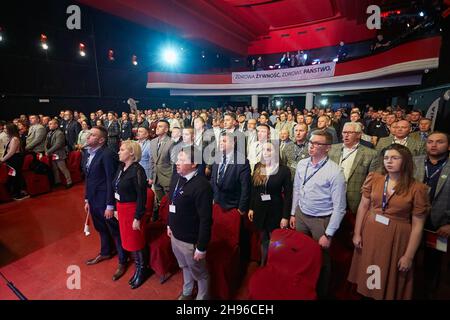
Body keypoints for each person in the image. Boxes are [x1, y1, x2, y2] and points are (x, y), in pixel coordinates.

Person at [348, 144, 430, 300]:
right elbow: (363, 206)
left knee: (385, 275)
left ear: (405, 161)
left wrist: (409, 256)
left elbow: (418, 226)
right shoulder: (374, 178)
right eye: (386, 158)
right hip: (370, 232)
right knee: (370, 272)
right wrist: (357, 233)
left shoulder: (417, 188)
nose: (389, 161)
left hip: (396, 238)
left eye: (394, 158)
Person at [289, 130, 347, 298]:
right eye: (311, 142)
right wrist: (293, 213)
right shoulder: (302, 164)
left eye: (317, 144)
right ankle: (302, 286)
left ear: (327, 148)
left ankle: (320, 293)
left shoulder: (335, 171)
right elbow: (297, 189)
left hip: (321, 220)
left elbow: (340, 207)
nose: (312, 146)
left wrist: (328, 234)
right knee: (300, 253)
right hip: (301, 214)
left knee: (321, 260)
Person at [167, 146, 213, 300]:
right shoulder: (177, 177)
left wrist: (201, 247)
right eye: (177, 159)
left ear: (194, 164)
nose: (177, 163)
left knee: (200, 273)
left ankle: (202, 297)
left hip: (190, 241)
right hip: (175, 235)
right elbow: (171, 203)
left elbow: (206, 219)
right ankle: (187, 291)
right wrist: (169, 225)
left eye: (182, 160)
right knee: (184, 266)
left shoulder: (202, 186)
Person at [82, 126, 127, 281]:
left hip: (105, 200)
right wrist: (87, 198)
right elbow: (88, 178)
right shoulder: (88, 153)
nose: (88, 137)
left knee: (115, 231)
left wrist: (110, 205)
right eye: (89, 134)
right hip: (93, 199)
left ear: (101, 140)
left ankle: (123, 260)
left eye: (92, 135)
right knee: (101, 228)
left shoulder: (108, 154)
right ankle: (105, 252)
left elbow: (111, 181)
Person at [413, 132, 450, 299]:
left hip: (440, 225)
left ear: (448, 146)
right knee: (408, 257)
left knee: (433, 264)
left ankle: (428, 292)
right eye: (430, 142)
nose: (434, 145)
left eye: (439, 142)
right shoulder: (415, 162)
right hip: (411, 220)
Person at [113, 140, 151, 289]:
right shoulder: (122, 167)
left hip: (132, 210)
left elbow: (142, 196)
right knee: (129, 241)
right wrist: (116, 209)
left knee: (137, 242)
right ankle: (137, 267)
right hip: (121, 209)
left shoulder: (138, 170)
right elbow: (116, 187)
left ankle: (143, 269)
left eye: (122, 150)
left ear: (131, 153)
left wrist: (137, 217)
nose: (119, 152)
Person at [248, 142, 292, 266]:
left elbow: (288, 195)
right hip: (260, 209)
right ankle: (263, 264)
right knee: (263, 239)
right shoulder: (259, 166)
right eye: (264, 150)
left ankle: (274, 264)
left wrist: (285, 216)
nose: (265, 153)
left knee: (276, 241)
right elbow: (254, 189)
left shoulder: (283, 170)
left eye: (269, 150)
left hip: (276, 210)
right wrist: (251, 208)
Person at [0, 123, 29, 200]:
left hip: (15, 159)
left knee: (15, 176)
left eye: (6, 128)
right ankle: (15, 192)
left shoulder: (15, 139)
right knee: (13, 177)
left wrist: (2, 159)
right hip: (12, 159)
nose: (4, 130)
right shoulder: (11, 138)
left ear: (10, 129)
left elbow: (11, 152)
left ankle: (18, 194)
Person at [150, 120, 174, 205]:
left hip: (167, 178)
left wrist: (172, 179)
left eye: (160, 126)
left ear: (166, 129)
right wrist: (151, 177)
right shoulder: (152, 142)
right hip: (156, 178)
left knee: (169, 203)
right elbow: (152, 161)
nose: (157, 128)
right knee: (161, 204)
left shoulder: (171, 142)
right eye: (157, 126)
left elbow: (173, 163)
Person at [45, 119, 72, 188]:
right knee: (55, 169)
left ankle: (69, 182)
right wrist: (46, 150)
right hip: (52, 154)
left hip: (59, 153)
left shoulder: (59, 133)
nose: (49, 125)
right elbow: (46, 143)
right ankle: (57, 182)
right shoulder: (49, 133)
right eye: (49, 124)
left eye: (51, 124)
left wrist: (48, 151)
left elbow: (58, 144)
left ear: (56, 125)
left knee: (63, 168)